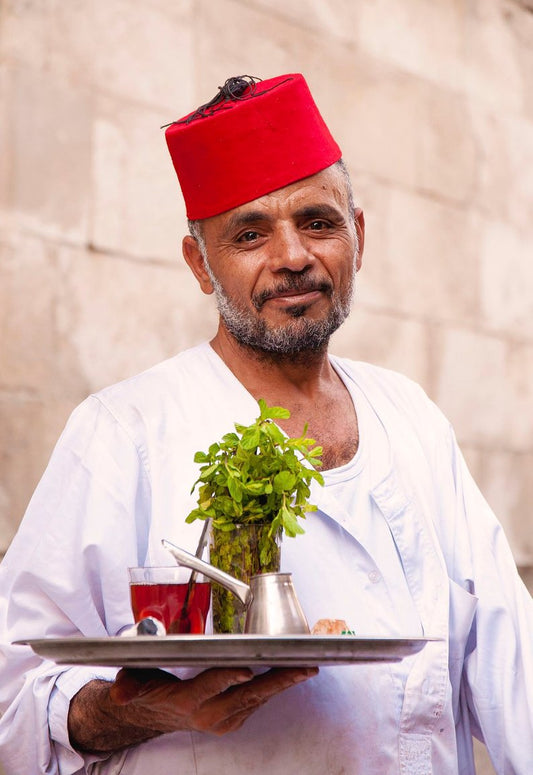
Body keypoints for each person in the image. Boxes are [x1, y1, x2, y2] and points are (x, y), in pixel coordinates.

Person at [0, 73, 531, 775]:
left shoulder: (412, 417)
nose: (291, 257)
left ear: (358, 236)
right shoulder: (122, 430)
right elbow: (12, 698)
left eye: (317, 221)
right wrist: (147, 708)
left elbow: (509, 660)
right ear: (200, 264)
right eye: (248, 233)